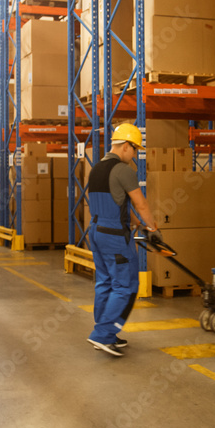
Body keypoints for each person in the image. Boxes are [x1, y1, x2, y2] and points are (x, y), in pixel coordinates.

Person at [86, 122, 160, 357]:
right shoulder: (123, 170)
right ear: (126, 146)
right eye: (135, 149)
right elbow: (141, 203)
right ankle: (103, 334)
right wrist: (153, 227)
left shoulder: (96, 168)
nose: (134, 155)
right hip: (115, 236)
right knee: (127, 286)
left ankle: (105, 331)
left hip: (96, 232)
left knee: (105, 282)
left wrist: (135, 222)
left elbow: (116, 201)